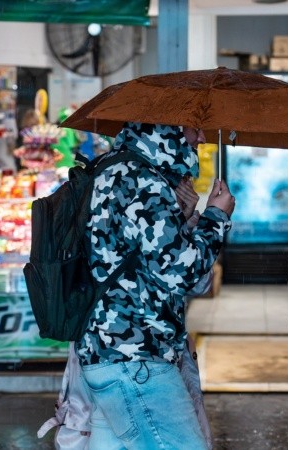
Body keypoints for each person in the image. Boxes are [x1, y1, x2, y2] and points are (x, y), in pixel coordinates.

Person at [78, 121, 235, 449]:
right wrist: (216, 218)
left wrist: (187, 218)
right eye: (195, 128)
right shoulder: (145, 181)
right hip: (137, 360)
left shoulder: (116, 169)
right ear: (169, 128)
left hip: (107, 354)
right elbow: (184, 274)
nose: (202, 137)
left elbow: (145, 260)